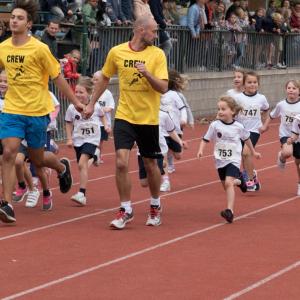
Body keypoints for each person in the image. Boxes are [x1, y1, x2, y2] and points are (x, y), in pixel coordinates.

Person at [0, 0, 85, 224]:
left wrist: (75, 101)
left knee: (37, 159)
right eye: (13, 17)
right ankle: (6, 204)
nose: (14, 20)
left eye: (19, 18)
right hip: (12, 110)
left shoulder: (40, 48)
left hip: (37, 111)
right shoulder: (3, 47)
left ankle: (60, 166)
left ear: (29, 24)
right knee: (9, 153)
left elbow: (57, 77)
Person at [85, 17, 168, 229]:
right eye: (154, 31)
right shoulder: (117, 51)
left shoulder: (157, 55)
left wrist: (146, 73)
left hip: (147, 118)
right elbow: (104, 78)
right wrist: (91, 103)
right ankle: (126, 208)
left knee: (150, 165)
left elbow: (163, 87)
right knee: (121, 162)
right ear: (141, 30)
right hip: (124, 116)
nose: (156, 35)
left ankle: (155, 204)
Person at [197, 96, 261, 223]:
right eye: (219, 109)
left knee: (228, 183)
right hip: (220, 160)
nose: (220, 111)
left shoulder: (238, 126)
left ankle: (230, 211)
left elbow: (246, 139)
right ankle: (240, 181)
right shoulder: (215, 125)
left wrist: (253, 152)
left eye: (223, 109)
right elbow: (205, 139)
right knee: (227, 185)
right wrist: (200, 150)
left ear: (232, 111)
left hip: (233, 159)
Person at [65, 76, 108, 206]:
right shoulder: (72, 108)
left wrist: (106, 125)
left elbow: (102, 115)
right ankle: (95, 157)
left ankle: (82, 194)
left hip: (92, 138)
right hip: (79, 139)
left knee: (81, 164)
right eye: (76, 92)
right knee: (82, 165)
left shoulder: (94, 105)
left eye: (81, 92)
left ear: (89, 93)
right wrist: (69, 138)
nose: (78, 95)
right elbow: (68, 123)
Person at [260, 80, 300, 195]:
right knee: (287, 152)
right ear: (286, 90)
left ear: (299, 91)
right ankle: (282, 156)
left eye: (294, 88)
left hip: (298, 137)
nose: (291, 90)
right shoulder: (281, 105)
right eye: (289, 88)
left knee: (298, 163)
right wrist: (264, 126)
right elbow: (271, 116)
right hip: (286, 135)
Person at [234, 71, 269, 192]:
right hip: (240, 130)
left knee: (246, 153)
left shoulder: (261, 98)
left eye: (255, 82)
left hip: (254, 130)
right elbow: (233, 112)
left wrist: (264, 124)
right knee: (244, 156)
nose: (252, 84)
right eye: (249, 82)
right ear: (244, 84)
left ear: (258, 84)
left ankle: (250, 179)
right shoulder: (238, 98)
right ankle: (253, 176)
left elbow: (265, 109)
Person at [92, 71, 115, 163]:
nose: (94, 81)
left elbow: (111, 106)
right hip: (93, 121)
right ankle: (92, 155)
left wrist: (104, 109)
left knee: (100, 141)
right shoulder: (91, 91)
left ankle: (98, 156)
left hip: (103, 123)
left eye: (97, 79)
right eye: (93, 79)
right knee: (93, 140)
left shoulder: (107, 93)